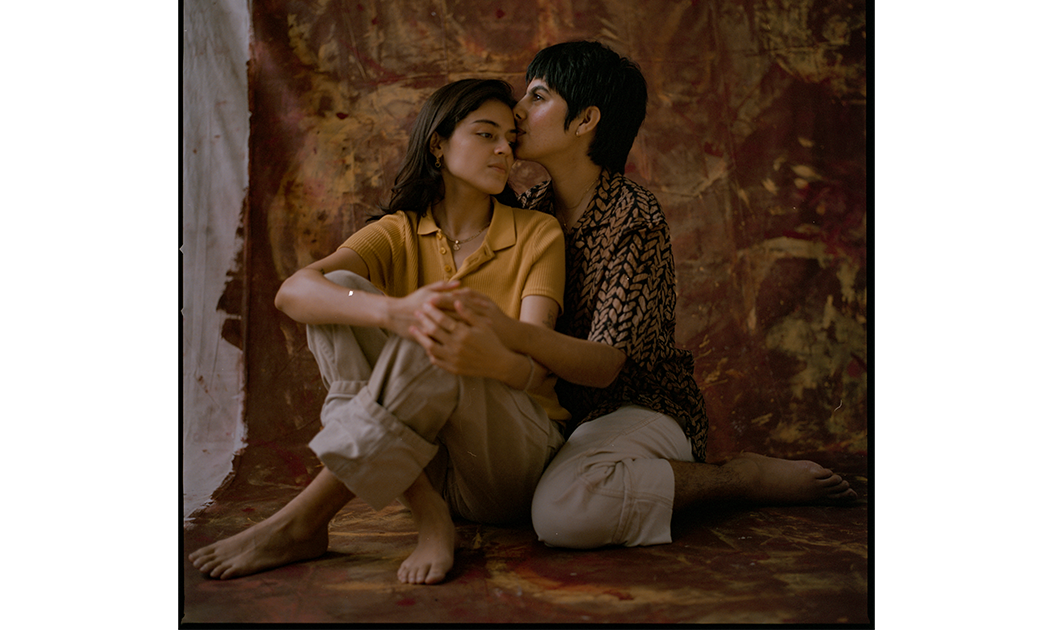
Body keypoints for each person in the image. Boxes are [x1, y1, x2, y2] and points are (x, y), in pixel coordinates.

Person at [414, 42, 857, 550]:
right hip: (553, 412)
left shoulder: (634, 218)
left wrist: (509, 332)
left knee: (562, 514)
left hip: (636, 405)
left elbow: (606, 367)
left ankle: (736, 478)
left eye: (537, 97)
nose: (516, 112)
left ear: (585, 121)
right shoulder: (529, 209)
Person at [189, 79, 570, 584]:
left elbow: (536, 365)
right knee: (342, 290)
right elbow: (294, 292)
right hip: (421, 463)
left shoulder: (537, 232)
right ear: (438, 143)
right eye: (485, 134)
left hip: (508, 463)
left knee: (436, 323)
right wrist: (394, 313)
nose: (505, 149)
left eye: (509, 139)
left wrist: (447, 335)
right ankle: (427, 510)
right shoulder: (398, 232)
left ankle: (303, 520)